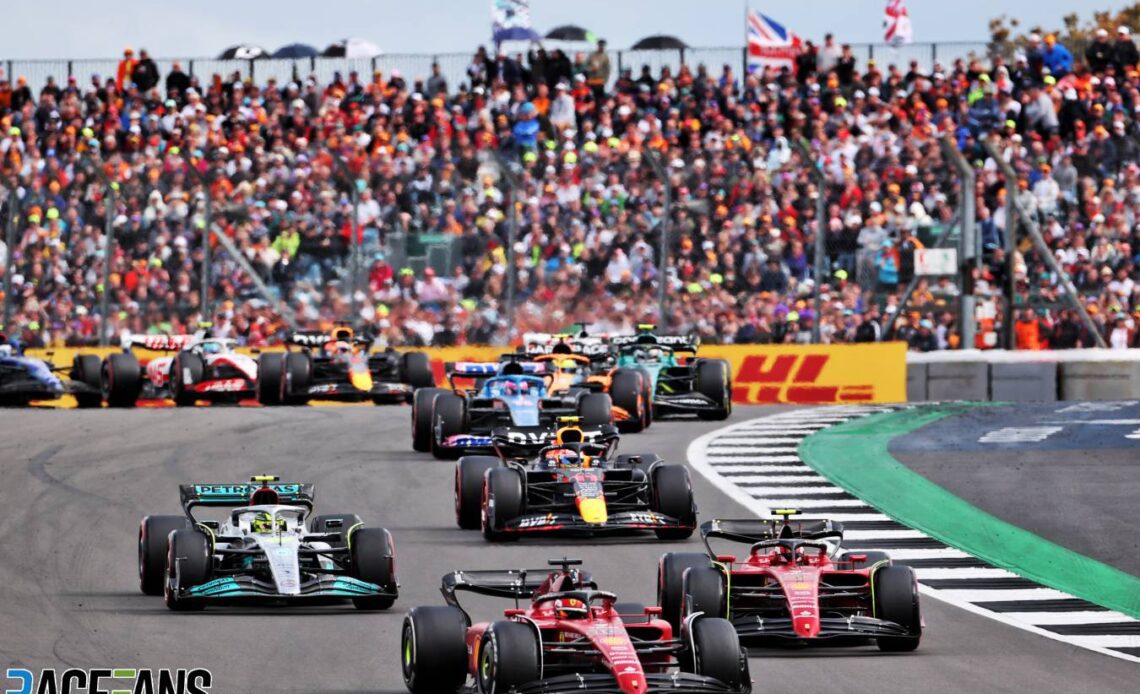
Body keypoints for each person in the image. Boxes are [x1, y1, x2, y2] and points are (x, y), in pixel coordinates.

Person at [585, 39, 610, 104]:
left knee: (600, 100)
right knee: (590, 99)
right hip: (591, 81)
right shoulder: (592, 55)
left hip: (600, 81)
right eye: (600, 46)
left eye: (603, 46)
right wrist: (591, 69)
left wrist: (605, 80)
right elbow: (585, 67)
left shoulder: (605, 57)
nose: (601, 47)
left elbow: (608, 70)